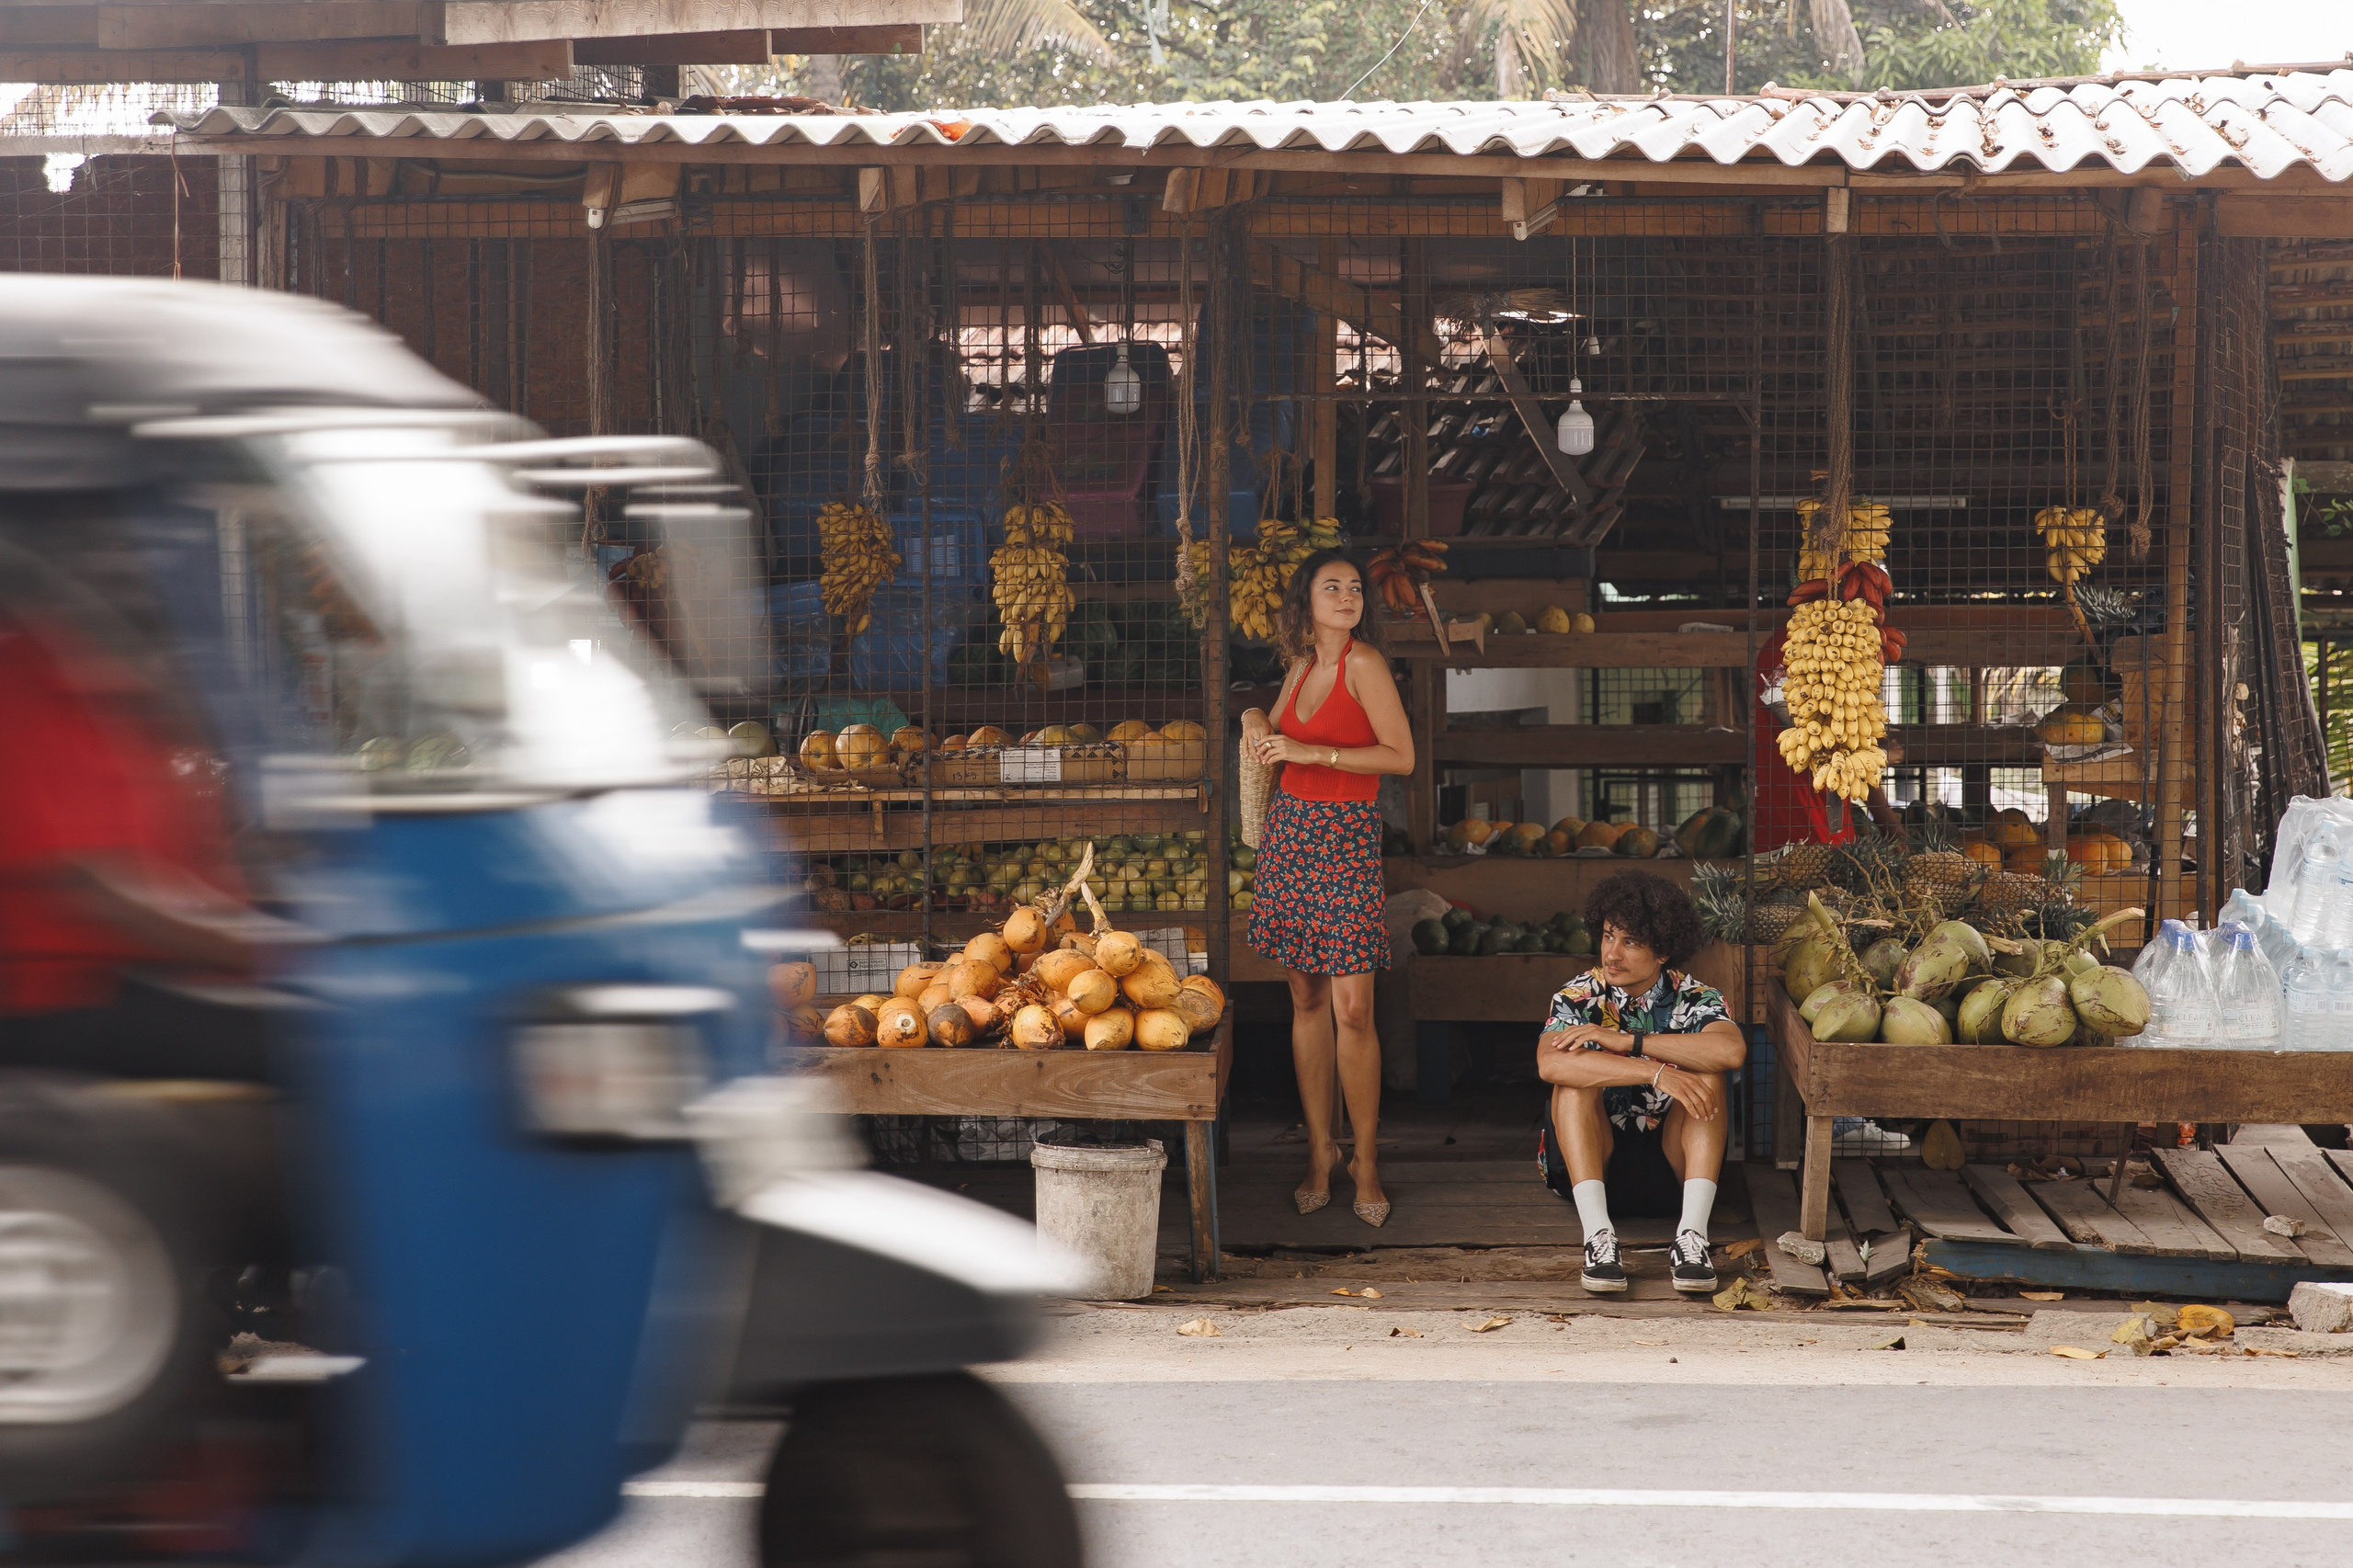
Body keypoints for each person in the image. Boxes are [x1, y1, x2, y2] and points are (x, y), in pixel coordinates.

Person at [1239, 551, 1415, 1227]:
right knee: (1304, 996)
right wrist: (1258, 723)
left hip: (1344, 836)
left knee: (1353, 1009)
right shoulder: (1302, 662)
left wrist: (1316, 754)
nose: (1346, 597)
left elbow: (1401, 756)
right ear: (1305, 602)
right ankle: (1320, 1154)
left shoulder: (1362, 664)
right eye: (1330, 587)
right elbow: (1271, 720)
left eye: (1353, 588)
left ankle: (1366, 1160)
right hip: (1290, 835)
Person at [1535, 869, 1747, 1295]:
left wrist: (1627, 1041)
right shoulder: (1579, 995)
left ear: (1664, 950)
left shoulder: (1697, 998)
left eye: (1630, 942)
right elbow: (1549, 1064)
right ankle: (1598, 1239)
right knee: (1573, 1083)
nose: (1612, 954)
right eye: (1609, 935)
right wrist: (1653, 1070)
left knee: (1708, 1075)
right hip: (1593, 1164)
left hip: (1672, 1173)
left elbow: (1730, 1052)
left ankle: (1691, 1238)